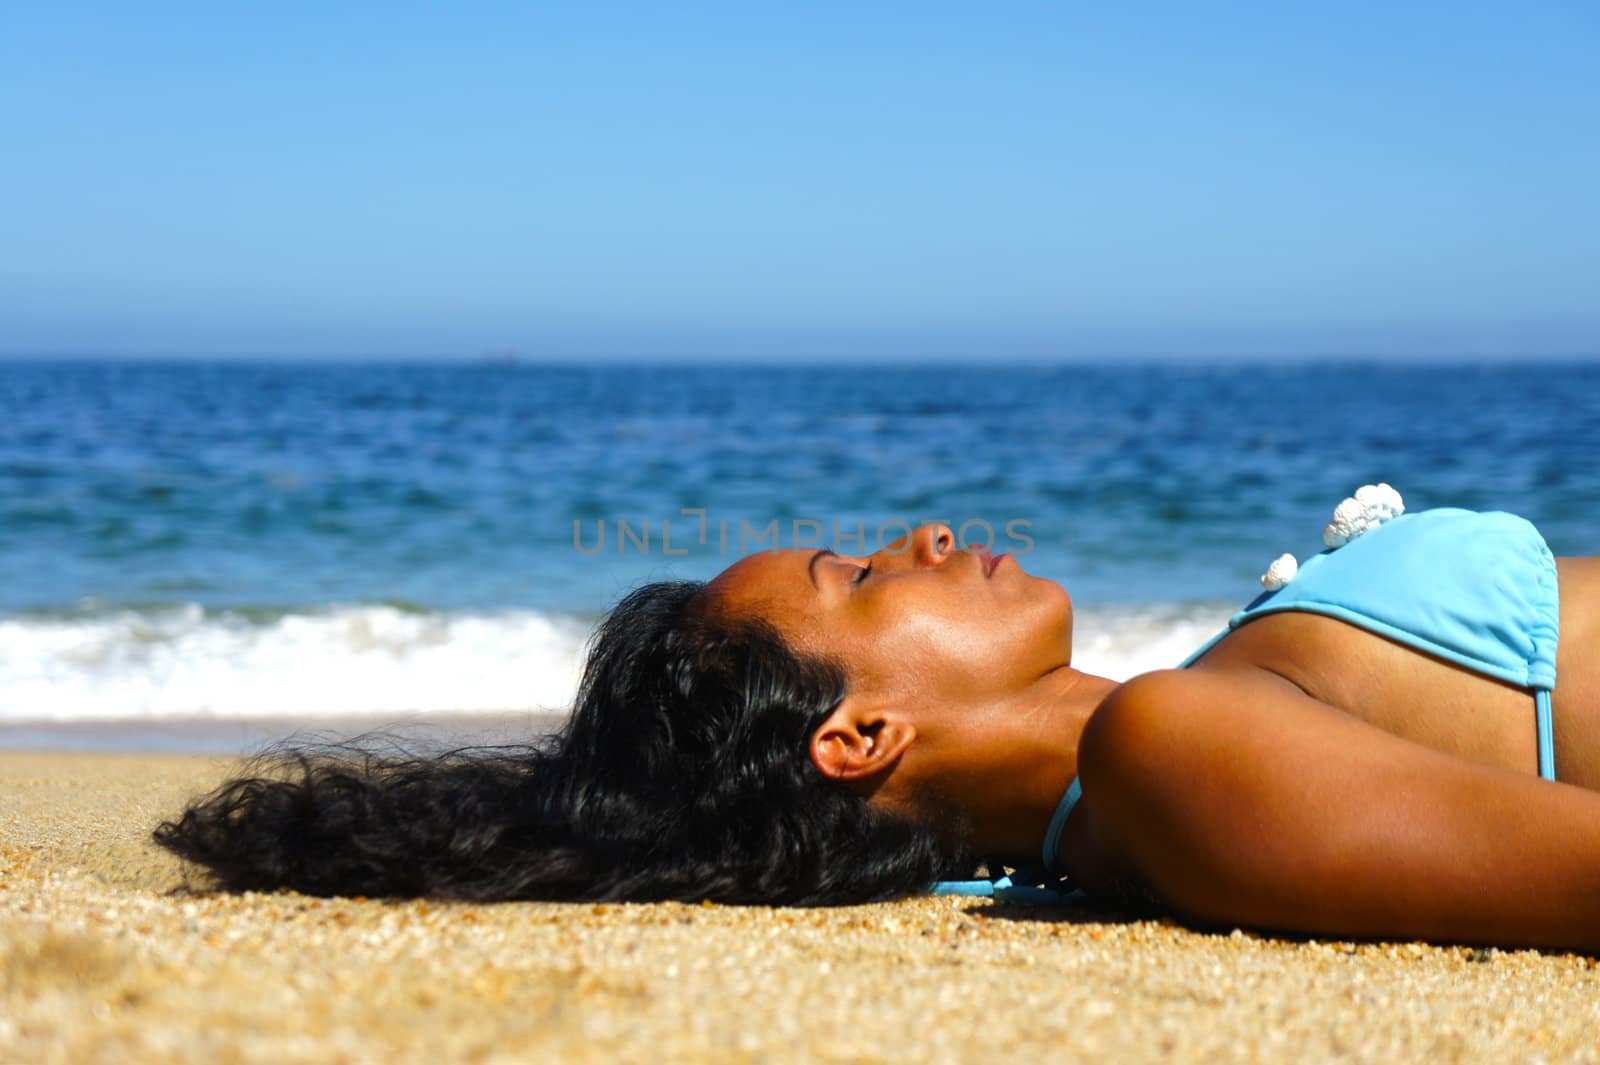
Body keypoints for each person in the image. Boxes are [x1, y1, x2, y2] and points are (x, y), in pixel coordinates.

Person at [155, 501, 1600, 952]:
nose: (922, 530)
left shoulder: (1189, 717)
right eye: (855, 576)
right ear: (855, 739)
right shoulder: (1169, 753)